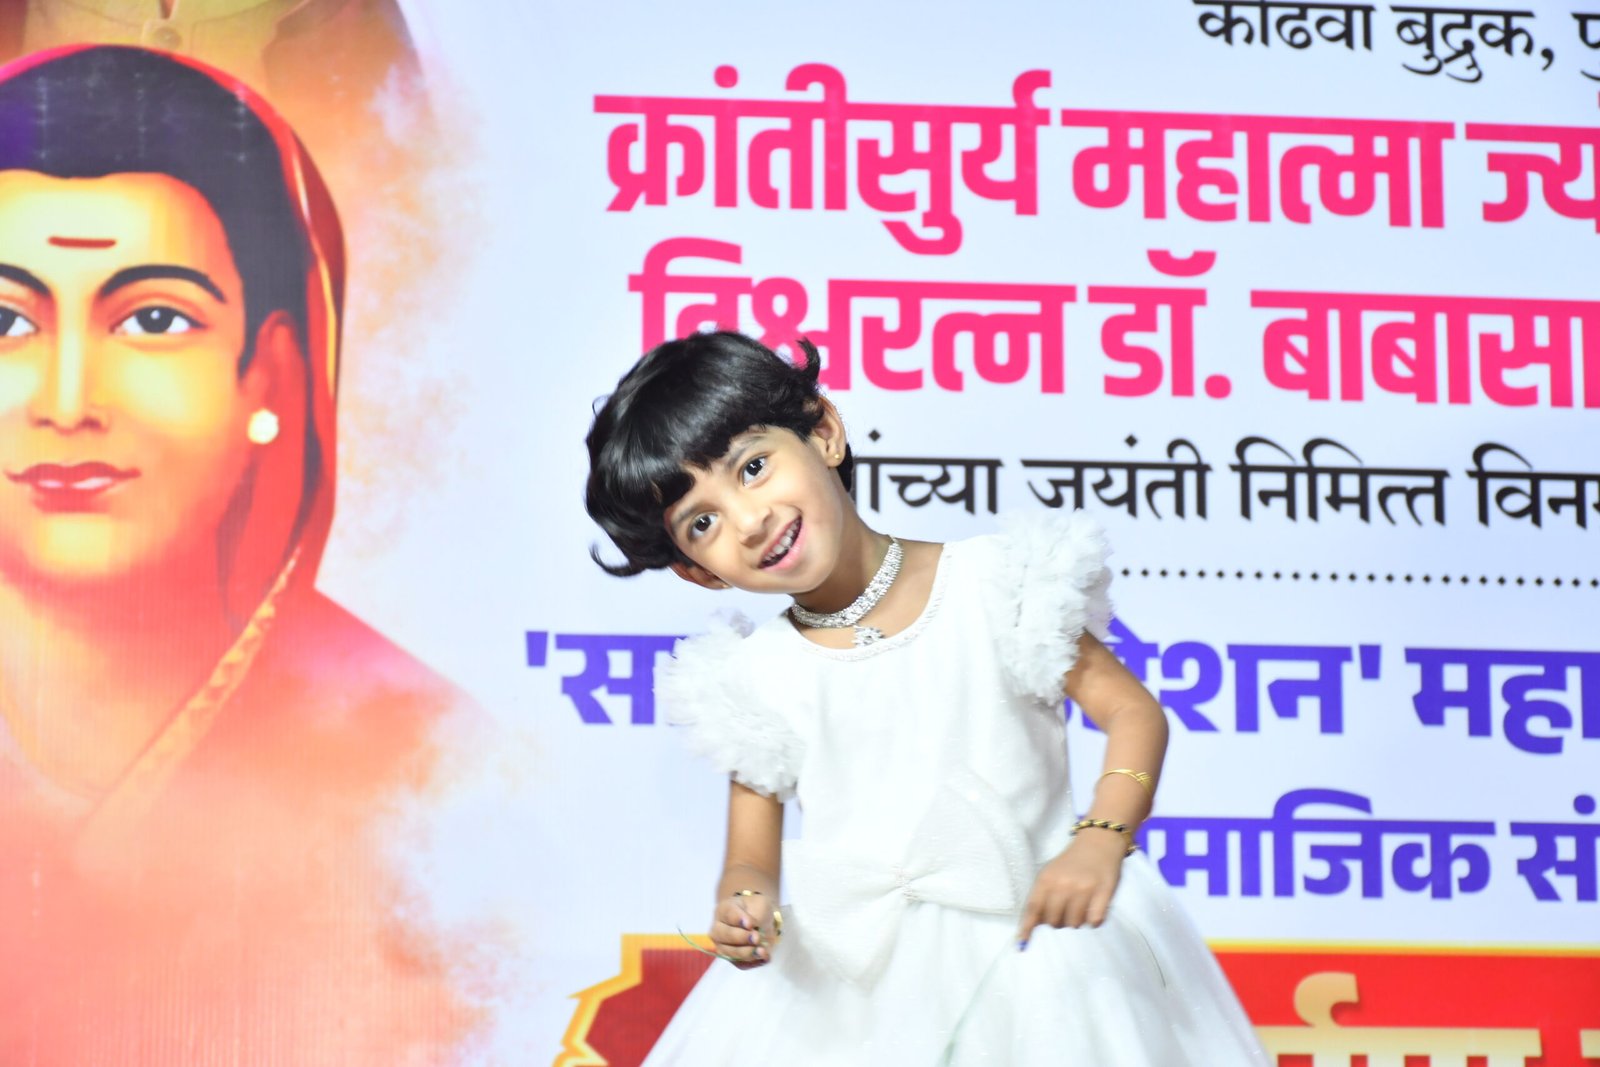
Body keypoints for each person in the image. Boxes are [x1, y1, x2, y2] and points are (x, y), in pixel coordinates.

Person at [584, 330, 1270, 1064]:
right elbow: (750, 859)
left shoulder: (997, 583)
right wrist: (743, 905)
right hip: (856, 999)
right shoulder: (754, 677)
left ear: (824, 431)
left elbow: (1134, 712)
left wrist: (1101, 836)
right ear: (697, 571)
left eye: (753, 467)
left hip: (1041, 957)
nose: (750, 521)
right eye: (704, 522)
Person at [0, 45, 477, 1062]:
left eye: (152, 318)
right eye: (6, 320)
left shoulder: (433, 774)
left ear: (271, 376)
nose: (68, 399)